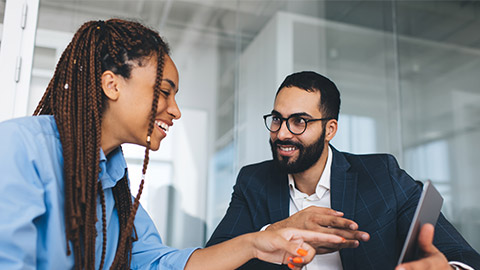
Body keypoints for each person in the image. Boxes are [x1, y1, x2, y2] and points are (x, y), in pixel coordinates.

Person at [0, 20, 346, 270]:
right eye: (164, 92)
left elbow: (162, 263)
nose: (175, 110)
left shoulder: (115, 186)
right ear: (112, 84)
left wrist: (256, 243)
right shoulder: (20, 148)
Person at [206, 71, 480, 270]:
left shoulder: (382, 174)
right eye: (277, 119)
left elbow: (463, 257)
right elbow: (213, 258)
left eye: (299, 121)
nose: (282, 133)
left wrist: (449, 269)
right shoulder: (253, 181)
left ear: (330, 130)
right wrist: (279, 230)